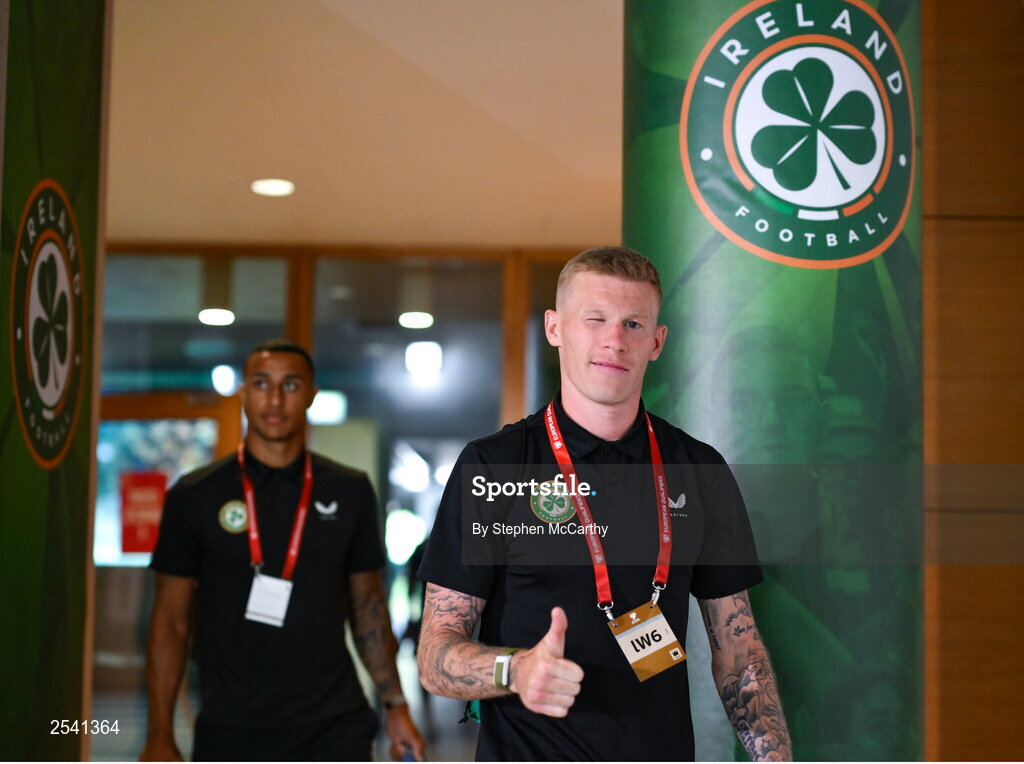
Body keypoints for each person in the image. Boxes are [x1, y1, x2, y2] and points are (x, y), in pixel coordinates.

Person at [416, 247, 792, 761]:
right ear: (555, 328)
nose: (615, 340)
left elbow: (740, 652)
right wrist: (517, 670)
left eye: (634, 324)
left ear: (657, 342)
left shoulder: (698, 469)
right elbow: (436, 652)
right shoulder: (495, 465)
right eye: (595, 320)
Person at [141, 340, 426, 762]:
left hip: (334, 725)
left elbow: (367, 604)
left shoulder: (348, 490)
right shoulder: (195, 495)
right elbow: (170, 622)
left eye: (290, 385)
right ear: (243, 392)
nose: (274, 399)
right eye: (261, 383)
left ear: (311, 394)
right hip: (231, 727)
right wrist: (159, 733)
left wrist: (396, 705)